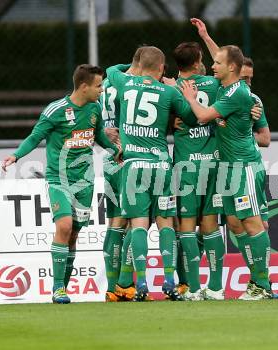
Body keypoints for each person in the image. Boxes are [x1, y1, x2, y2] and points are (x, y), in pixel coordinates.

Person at [2, 64, 120, 304]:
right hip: (59, 179)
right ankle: (57, 288)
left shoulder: (94, 108)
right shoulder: (56, 110)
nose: (101, 90)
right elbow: (35, 136)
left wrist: (114, 149)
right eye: (98, 86)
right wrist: (16, 155)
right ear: (84, 86)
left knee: (74, 235)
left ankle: (62, 289)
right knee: (64, 226)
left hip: (84, 182)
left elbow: (97, 136)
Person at [191, 18, 278, 299]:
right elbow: (225, 58)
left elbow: (203, 116)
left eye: (217, 63)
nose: (212, 65)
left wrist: (190, 96)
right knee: (234, 223)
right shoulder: (224, 87)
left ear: (231, 69)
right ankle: (256, 280)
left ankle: (262, 284)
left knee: (252, 223)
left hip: (244, 167)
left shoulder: (238, 93)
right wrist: (205, 36)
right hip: (228, 169)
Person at [106, 46, 192, 301]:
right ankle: (169, 280)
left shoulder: (126, 83)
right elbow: (190, 116)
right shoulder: (168, 92)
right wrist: (179, 92)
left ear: (140, 65)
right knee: (166, 222)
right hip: (161, 166)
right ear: (162, 68)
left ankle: (140, 282)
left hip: (133, 166)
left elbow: (111, 71)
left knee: (139, 224)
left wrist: (133, 68)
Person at [172, 42, 225, 301]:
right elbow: (227, 64)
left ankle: (192, 288)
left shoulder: (170, 89)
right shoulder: (214, 85)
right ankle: (215, 288)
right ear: (197, 61)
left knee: (187, 227)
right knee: (211, 226)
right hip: (213, 163)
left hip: (186, 166)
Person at [100, 48, 144, 302]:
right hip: (130, 156)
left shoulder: (107, 82)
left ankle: (112, 287)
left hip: (108, 159)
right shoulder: (134, 84)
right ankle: (125, 285)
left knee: (115, 223)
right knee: (134, 222)